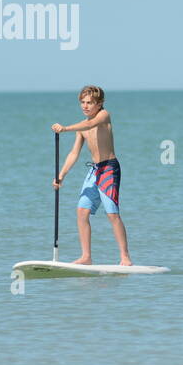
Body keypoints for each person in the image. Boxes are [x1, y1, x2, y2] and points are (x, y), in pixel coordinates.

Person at [51, 85, 132, 266]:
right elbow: (74, 153)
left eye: (90, 103)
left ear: (99, 103)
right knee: (81, 212)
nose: (85, 106)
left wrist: (64, 129)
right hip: (94, 171)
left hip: (109, 170)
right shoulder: (82, 127)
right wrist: (61, 175)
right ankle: (86, 257)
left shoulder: (104, 116)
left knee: (112, 214)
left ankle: (125, 257)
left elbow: (89, 124)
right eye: (83, 102)